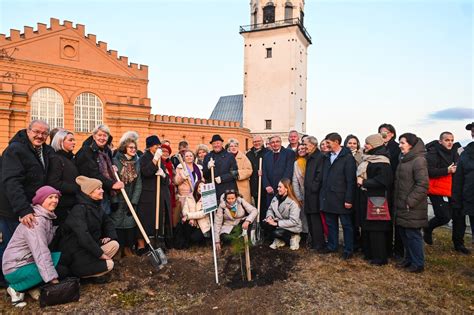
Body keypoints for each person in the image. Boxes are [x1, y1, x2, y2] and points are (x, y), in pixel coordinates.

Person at [0, 120, 53, 288]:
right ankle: (8, 283)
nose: (40, 136)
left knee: (26, 249)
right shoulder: (15, 150)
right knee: (11, 248)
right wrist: (23, 209)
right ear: (28, 131)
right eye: (36, 132)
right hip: (13, 209)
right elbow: (11, 181)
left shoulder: (42, 150)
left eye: (44, 134)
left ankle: (24, 283)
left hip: (29, 206)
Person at [2, 186, 66, 307]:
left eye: (56, 197)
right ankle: (16, 289)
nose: (55, 200)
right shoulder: (36, 221)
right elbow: (41, 253)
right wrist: (53, 281)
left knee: (63, 260)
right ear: (41, 200)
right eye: (50, 197)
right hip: (16, 268)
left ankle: (31, 287)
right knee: (61, 270)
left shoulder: (46, 217)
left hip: (27, 262)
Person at [58, 176, 119, 279]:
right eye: (99, 188)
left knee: (114, 244)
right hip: (76, 254)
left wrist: (109, 236)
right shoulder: (79, 210)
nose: (103, 191)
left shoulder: (95, 206)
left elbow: (108, 222)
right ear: (90, 192)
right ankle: (81, 276)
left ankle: (94, 265)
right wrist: (100, 255)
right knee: (109, 264)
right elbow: (83, 236)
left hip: (89, 249)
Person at [423, 132, 469, 254]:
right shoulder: (432, 153)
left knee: (459, 217)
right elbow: (428, 171)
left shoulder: (457, 152)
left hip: (455, 189)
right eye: (447, 140)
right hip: (438, 190)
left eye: (452, 140)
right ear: (440, 141)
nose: (450, 142)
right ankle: (427, 228)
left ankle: (459, 244)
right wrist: (446, 170)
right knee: (444, 216)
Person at [394, 133, 429, 273]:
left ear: (411, 144)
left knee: (413, 235)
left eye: (402, 143)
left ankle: (418, 263)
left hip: (412, 206)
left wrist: (410, 201)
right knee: (404, 233)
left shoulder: (419, 160)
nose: (400, 145)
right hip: (402, 203)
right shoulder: (403, 159)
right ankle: (408, 259)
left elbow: (423, 184)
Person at [356, 134, 393, 265]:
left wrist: (364, 181)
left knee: (376, 229)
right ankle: (369, 253)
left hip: (377, 200)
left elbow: (384, 181)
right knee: (368, 227)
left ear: (375, 145)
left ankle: (379, 257)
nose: (365, 146)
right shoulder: (370, 159)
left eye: (368, 143)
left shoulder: (382, 162)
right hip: (367, 198)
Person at [320, 132, 357, 260]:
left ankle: (348, 249)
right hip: (329, 197)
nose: (326, 145)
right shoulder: (326, 157)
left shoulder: (347, 158)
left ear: (336, 142)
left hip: (342, 198)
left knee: (346, 225)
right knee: (331, 224)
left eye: (328, 143)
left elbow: (351, 181)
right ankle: (332, 245)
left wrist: (349, 199)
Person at [75, 124, 124, 214]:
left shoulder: (106, 150)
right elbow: (92, 174)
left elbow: (107, 165)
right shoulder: (86, 151)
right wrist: (112, 184)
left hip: (104, 191)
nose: (102, 138)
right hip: (91, 193)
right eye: (99, 135)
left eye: (105, 135)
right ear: (94, 136)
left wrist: (111, 167)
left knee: (106, 218)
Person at [138, 136, 173, 251]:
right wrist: (154, 160)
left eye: (159, 145)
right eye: (156, 145)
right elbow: (146, 172)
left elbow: (167, 180)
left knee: (160, 219)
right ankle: (147, 244)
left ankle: (160, 242)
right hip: (149, 195)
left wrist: (163, 175)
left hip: (160, 194)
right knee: (149, 220)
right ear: (149, 147)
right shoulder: (144, 158)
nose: (159, 147)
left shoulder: (160, 160)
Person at [110, 132, 142, 257]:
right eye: (130, 148)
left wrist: (133, 202)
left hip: (130, 198)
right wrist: (114, 201)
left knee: (130, 224)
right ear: (124, 148)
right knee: (116, 224)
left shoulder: (137, 163)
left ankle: (128, 248)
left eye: (135, 148)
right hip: (118, 198)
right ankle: (118, 249)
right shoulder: (115, 161)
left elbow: (138, 184)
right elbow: (112, 182)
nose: (133, 150)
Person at [378, 123, 402, 259]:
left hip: (393, 187)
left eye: (385, 132)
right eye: (381, 132)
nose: (383, 135)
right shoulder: (380, 147)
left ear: (392, 134)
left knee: (395, 220)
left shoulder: (396, 148)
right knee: (385, 219)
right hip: (383, 188)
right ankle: (386, 247)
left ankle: (397, 249)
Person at [47, 130, 80, 225]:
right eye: (70, 140)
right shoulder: (56, 159)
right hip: (62, 207)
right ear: (60, 141)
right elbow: (53, 183)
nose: (74, 142)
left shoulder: (70, 159)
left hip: (71, 204)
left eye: (74, 140)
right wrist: (76, 188)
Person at [452, 122, 474, 252]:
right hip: (470, 199)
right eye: (472, 130)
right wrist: (457, 200)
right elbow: (459, 179)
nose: (473, 132)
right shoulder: (465, 152)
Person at [303, 136, 327, 252]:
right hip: (309, 193)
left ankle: (319, 244)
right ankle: (314, 242)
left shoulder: (319, 157)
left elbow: (319, 175)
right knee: (310, 218)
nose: (304, 146)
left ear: (312, 145)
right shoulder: (310, 157)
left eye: (306, 144)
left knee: (315, 219)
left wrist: (313, 188)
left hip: (315, 194)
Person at [265, 178, 303, 250]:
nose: (277, 189)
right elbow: (270, 209)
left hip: (292, 227)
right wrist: (269, 217)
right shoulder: (275, 198)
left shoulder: (293, 203)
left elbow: (294, 221)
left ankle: (294, 237)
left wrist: (276, 223)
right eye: (278, 187)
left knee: (276, 233)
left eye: (280, 187)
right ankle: (280, 240)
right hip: (280, 224)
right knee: (265, 225)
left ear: (286, 188)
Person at [262, 135, 296, 208]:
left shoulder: (289, 153)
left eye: (277, 141)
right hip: (270, 189)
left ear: (281, 142)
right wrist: (267, 185)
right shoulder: (266, 155)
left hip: (284, 188)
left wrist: (282, 185)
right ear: (270, 144)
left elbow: (289, 170)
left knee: (284, 210)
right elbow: (264, 172)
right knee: (271, 209)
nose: (275, 144)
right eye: (273, 142)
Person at [203, 134, 238, 201]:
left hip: (227, 190)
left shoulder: (229, 156)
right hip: (213, 190)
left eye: (218, 143)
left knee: (228, 210)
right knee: (215, 210)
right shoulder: (208, 156)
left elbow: (235, 173)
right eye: (214, 143)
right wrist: (208, 168)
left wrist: (222, 178)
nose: (216, 145)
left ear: (222, 143)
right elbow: (205, 175)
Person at [246, 135, 270, 222]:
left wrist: (264, 172)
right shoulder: (249, 154)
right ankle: (258, 224)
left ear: (262, 141)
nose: (257, 143)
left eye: (258, 141)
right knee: (257, 206)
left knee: (266, 207)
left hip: (264, 185)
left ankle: (265, 226)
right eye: (255, 142)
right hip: (254, 185)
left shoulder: (268, 152)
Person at [181, 180, 211, 245]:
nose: (201, 189)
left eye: (203, 187)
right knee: (184, 224)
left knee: (194, 238)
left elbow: (203, 213)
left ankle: (202, 240)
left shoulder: (208, 198)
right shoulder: (189, 197)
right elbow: (184, 210)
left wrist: (190, 216)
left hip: (202, 224)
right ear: (196, 188)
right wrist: (191, 218)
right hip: (191, 222)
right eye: (199, 187)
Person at [174, 150, 203, 215]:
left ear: (193, 157)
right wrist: (182, 177)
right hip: (185, 195)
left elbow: (202, 181)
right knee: (185, 215)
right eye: (187, 156)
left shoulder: (198, 168)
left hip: (196, 194)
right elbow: (176, 181)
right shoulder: (180, 168)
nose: (189, 157)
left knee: (195, 214)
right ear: (184, 158)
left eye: (190, 156)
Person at [228, 138, 253, 203]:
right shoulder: (226, 157)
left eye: (235, 146)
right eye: (231, 146)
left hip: (242, 186)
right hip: (229, 185)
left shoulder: (243, 157)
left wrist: (238, 173)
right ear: (229, 147)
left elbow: (249, 170)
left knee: (243, 206)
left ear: (238, 147)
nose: (233, 148)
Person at [292, 143, 309, 236]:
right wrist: (298, 196)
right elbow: (295, 180)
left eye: (303, 148)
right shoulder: (297, 163)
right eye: (299, 150)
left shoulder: (311, 160)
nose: (301, 150)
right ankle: (304, 233)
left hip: (313, 192)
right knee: (303, 214)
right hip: (302, 191)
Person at [160, 143, 178, 226]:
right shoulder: (158, 163)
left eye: (167, 152)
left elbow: (174, 179)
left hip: (170, 191)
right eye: (163, 151)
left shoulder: (170, 164)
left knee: (169, 214)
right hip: (161, 192)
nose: (165, 153)